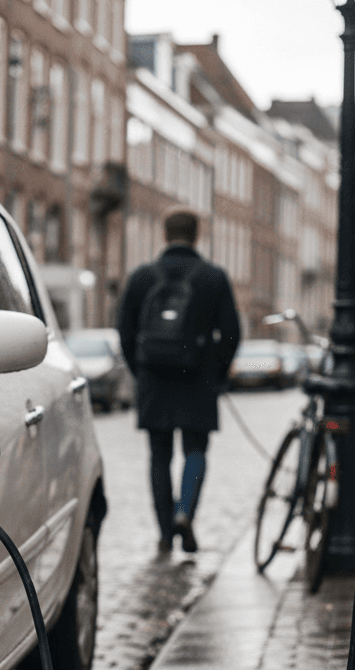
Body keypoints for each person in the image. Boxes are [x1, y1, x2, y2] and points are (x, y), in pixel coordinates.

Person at [117, 210, 241, 554]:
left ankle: (164, 532)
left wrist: (141, 369)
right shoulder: (213, 277)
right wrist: (217, 372)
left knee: (159, 455)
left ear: (165, 234)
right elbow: (232, 332)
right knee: (195, 450)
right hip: (198, 377)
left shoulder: (142, 277)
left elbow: (125, 332)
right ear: (196, 235)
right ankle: (185, 512)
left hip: (154, 379)